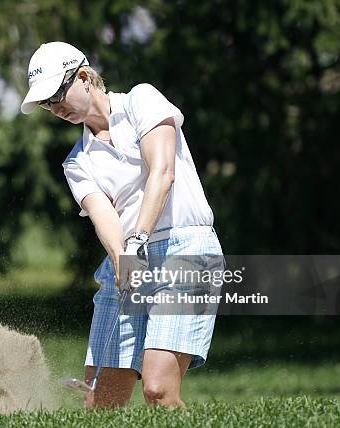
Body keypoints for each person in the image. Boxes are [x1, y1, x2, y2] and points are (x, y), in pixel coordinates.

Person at [20, 41, 223, 408]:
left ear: (83, 77)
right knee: (101, 404)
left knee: (158, 390)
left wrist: (138, 240)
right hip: (129, 262)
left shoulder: (142, 101)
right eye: (47, 104)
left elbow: (162, 173)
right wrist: (121, 257)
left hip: (186, 251)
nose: (55, 108)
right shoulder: (76, 162)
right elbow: (104, 218)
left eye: (57, 96)